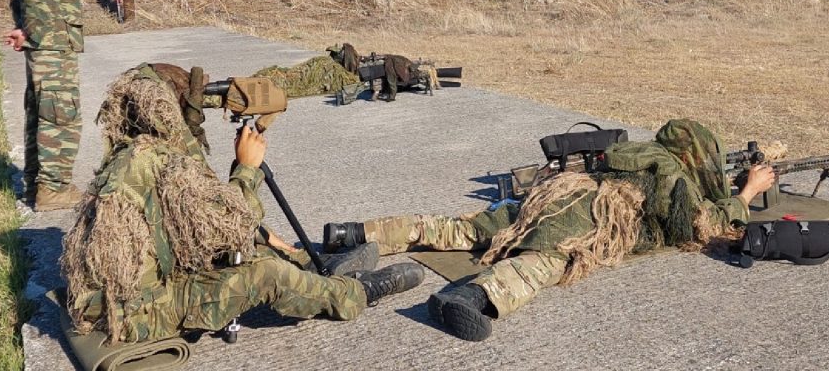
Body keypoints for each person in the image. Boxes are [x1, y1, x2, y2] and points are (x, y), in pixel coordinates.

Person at [61, 63, 424, 344]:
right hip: (137, 315)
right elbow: (224, 232)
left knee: (257, 248)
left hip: (130, 295)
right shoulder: (156, 162)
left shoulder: (134, 153)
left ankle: (310, 266)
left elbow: (192, 222)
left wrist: (262, 236)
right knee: (264, 274)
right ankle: (355, 293)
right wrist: (247, 169)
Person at [322, 119, 776, 342]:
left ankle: (353, 232)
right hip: (590, 218)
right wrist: (748, 193)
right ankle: (469, 297)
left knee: (462, 229)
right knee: (542, 264)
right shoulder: (675, 179)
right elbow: (705, 224)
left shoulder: (642, 152)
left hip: (557, 194)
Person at [6, 0, 86, 211]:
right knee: (59, 115)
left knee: (40, 113)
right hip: (52, 44)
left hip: (42, 42)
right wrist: (29, 30)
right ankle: (53, 190)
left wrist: (24, 28)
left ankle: (36, 185)